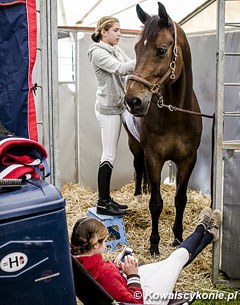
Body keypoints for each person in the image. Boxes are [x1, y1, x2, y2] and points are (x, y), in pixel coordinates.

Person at [71, 207, 222, 304]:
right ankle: (202, 228)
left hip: (122, 285)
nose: (105, 244)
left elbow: (106, 281)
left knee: (171, 263)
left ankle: (209, 233)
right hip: (144, 299)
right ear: (95, 245)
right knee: (175, 260)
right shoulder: (105, 274)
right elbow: (136, 302)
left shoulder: (77, 264)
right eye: (104, 240)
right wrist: (132, 276)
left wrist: (115, 265)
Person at [87, 16, 136, 216]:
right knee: (108, 154)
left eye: (119, 29)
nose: (119, 33)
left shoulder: (115, 50)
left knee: (111, 154)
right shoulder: (97, 52)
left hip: (118, 106)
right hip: (108, 109)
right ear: (103, 32)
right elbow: (121, 68)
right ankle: (102, 202)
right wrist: (148, 56)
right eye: (115, 30)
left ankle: (107, 199)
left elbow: (128, 68)